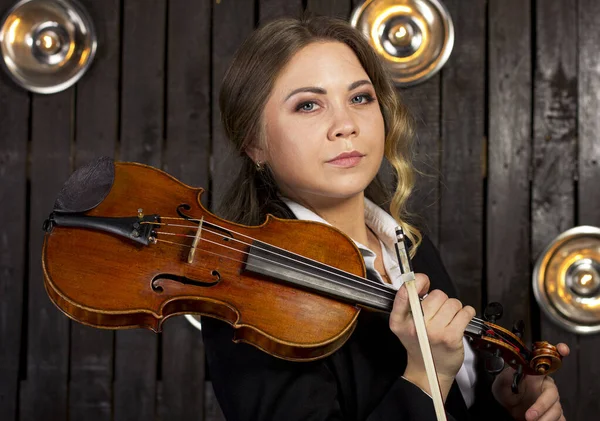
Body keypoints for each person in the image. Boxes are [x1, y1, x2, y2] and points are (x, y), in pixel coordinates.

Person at [201, 15, 568, 421]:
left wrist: (503, 406)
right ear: (255, 143)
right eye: (308, 105)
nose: (346, 125)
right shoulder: (248, 296)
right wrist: (426, 378)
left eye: (360, 98)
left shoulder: (411, 247)